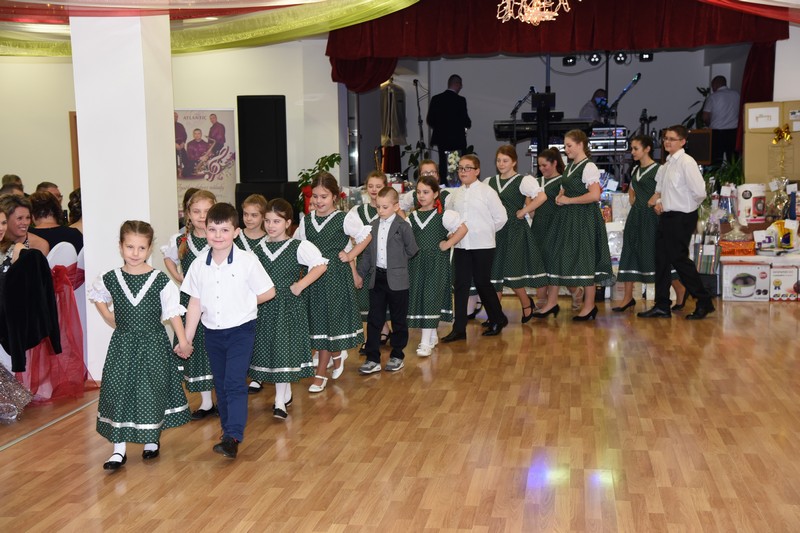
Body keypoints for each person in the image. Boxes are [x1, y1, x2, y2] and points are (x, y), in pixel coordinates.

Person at [88, 220, 193, 471]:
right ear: (120, 246)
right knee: (118, 391)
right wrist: (108, 315)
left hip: (153, 344)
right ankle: (118, 450)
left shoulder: (159, 279)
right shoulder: (111, 277)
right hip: (123, 345)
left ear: (149, 249)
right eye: (130, 247)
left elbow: (173, 313)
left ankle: (151, 440)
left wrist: (183, 341)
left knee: (150, 391)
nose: (135, 253)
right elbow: (98, 295)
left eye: (141, 248)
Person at [182, 203, 276, 459]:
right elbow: (195, 303)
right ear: (206, 230)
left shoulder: (247, 261)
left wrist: (243, 302)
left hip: (241, 331)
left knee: (234, 383)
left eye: (224, 230)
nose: (218, 235)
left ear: (236, 232)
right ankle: (227, 433)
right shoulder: (199, 265)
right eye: (213, 229)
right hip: (212, 333)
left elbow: (268, 292)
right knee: (221, 385)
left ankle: (233, 436)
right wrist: (186, 339)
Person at [293, 172, 371, 392]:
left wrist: (350, 255)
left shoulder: (344, 218)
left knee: (328, 323)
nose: (319, 201)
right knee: (319, 322)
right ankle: (336, 354)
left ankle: (320, 375)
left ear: (334, 196)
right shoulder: (307, 220)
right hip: (313, 277)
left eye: (324, 196)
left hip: (335, 276)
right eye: (315, 196)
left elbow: (366, 236)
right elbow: (298, 247)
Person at [252, 199, 327, 418]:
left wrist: (300, 285)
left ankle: (279, 402)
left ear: (287, 223)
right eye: (267, 221)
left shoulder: (298, 246)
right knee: (270, 351)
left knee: (283, 351)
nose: (271, 225)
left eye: (276, 221)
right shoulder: (258, 249)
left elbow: (320, 265)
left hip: (288, 307)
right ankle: (284, 394)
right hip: (264, 307)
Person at [535, 129, 612, 321]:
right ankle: (552, 302)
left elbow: (595, 195)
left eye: (569, 145)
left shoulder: (589, 167)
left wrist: (568, 200)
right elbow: (564, 189)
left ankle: (589, 305)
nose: (566, 149)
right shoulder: (570, 166)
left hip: (583, 218)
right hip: (566, 218)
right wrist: (561, 196)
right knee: (554, 256)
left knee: (585, 259)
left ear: (580, 145)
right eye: (565, 145)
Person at [639, 125, 714, 320]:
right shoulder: (667, 164)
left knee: (679, 259)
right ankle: (662, 304)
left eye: (672, 139)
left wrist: (685, 207)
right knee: (661, 260)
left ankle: (703, 300)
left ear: (682, 142)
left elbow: (699, 192)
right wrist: (660, 203)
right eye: (665, 138)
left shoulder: (686, 162)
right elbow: (662, 191)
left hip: (682, 216)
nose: (667, 142)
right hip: (668, 216)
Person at [613, 136, 686, 312]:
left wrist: (656, 202)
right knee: (630, 252)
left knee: (655, 254)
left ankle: (679, 288)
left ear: (647, 149)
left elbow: (666, 191)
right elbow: (632, 190)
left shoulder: (659, 169)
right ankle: (628, 297)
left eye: (635, 148)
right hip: (636, 217)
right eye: (631, 148)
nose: (632, 152)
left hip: (652, 218)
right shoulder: (636, 169)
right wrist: (633, 200)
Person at [161, 189, 217, 418]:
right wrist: (177, 276)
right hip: (190, 303)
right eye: (196, 211)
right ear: (188, 214)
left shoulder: (221, 236)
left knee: (216, 350)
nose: (202, 216)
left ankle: (224, 399)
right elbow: (168, 257)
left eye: (207, 211)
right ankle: (206, 402)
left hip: (217, 301)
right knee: (197, 351)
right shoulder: (180, 240)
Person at [442, 154, 508, 341]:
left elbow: (501, 218)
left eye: (467, 168)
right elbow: (450, 217)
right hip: (462, 245)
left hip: (483, 245)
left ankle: (497, 318)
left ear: (477, 171)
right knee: (461, 285)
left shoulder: (487, 192)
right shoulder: (455, 194)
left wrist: (485, 231)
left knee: (482, 282)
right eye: (460, 168)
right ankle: (459, 329)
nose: (463, 171)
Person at [354, 187, 418, 374]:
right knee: (374, 319)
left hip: (397, 280)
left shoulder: (403, 226)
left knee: (398, 319)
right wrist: (360, 274)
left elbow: (412, 250)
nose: (381, 211)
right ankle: (372, 358)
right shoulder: (372, 226)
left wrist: (397, 264)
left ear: (396, 206)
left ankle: (397, 355)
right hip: (377, 279)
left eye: (385, 207)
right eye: (378, 207)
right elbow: (367, 254)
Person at [486, 145, 549, 324]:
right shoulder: (490, 182)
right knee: (495, 274)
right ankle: (495, 315)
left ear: (514, 162)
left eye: (505, 160)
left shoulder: (522, 181)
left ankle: (526, 303)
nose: (501, 164)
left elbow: (542, 197)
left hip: (514, 231)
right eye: (498, 160)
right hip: (496, 231)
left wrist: (524, 211)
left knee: (512, 273)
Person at [406, 175, 467, 356]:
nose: (421, 196)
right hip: (417, 263)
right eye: (419, 192)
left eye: (426, 192)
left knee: (431, 297)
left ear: (435, 194)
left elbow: (462, 229)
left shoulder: (443, 215)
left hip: (436, 263)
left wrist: (447, 244)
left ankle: (425, 341)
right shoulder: (412, 216)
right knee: (421, 297)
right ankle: (431, 335)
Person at [531, 148, 582, 311]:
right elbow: (529, 198)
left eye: (545, 165)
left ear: (554, 163)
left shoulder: (562, 181)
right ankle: (542, 298)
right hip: (538, 226)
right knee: (540, 264)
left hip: (556, 225)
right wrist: (530, 210)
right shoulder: (536, 182)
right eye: (539, 166)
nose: (542, 168)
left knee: (557, 265)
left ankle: (575, 291)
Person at [351, 171, 393, 354]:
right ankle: (379, 333)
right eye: (370, 186)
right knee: (367, 302)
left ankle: (376, 336)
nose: (374, 190)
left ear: (386, 187)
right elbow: (351, 234)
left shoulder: (392, 210)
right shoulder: (358, 211)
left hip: (385, 263)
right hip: (365, 262)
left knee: (382, 300)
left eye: (378, 186)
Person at [427, 75, 472, 183]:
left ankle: (444, 185)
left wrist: (440, 128)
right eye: (460, 84)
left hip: (442, 139)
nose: (461, 87)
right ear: (457, 84)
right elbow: (466, 121)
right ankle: (459, 185)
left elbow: (430, 120)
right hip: (457, 140)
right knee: (459, 165)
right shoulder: (460, 100)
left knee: (443, 164)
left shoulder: (436, 99)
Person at [702, 75, 740, 165]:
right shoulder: (736, 95)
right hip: (733, 132)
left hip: (717, 132)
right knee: (733, 160)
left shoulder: (713, 97)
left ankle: (715, 174)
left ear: (715, 84)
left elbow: (705, 117)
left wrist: (708, 124)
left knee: (716, 160)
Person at [175, 112, 188, 177]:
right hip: (171, 146)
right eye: (174, 116)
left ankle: (184, 173)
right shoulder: (167, 125)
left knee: (186, 161)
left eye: (176, 116)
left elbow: (185, 135)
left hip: (181, 145)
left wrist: (183, 142)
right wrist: (174, 144)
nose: (175, 118)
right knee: (173, 162)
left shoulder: (180, 125)